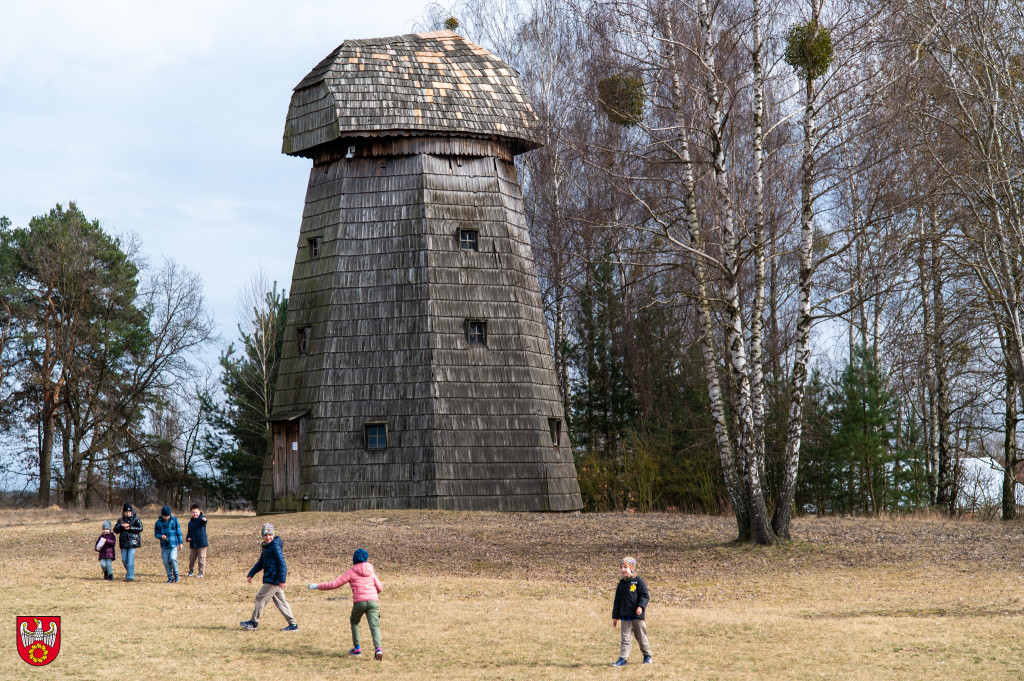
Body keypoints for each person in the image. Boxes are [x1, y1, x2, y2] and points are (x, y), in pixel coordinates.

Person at [308, 548, 384, 661]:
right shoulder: (371, 571)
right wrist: (373, 595)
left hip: (359, 602)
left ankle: (357, 648)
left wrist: (317, 586)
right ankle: (378, 649)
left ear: (354, 559)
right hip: (373, 601)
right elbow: (380, 588)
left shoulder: (351, 572)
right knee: (374, 625)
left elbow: (334, 584)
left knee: (355, 622)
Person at [240, 523, 297, 631]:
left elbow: (282, 564)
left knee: (260, 598)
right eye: (265, 535)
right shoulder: (267, 547)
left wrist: (282, 580)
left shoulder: (275, 547)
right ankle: (293, 625)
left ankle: (253, 623)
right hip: (272, 579)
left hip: (273, 579)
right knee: (281, 602)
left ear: (273, 534)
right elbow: (261, 562)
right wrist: (251, 573)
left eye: (270, 534)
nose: (268, 537)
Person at [611, 556, 652, 667]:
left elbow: (645, 596)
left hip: (637, 617)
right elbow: (617, 601)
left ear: (631, 568)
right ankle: (623, 659)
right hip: (625, 617)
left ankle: (647, 655)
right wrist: (615, 616)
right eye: (621, 567)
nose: (623, 570)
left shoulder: (638, 582)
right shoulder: (621, 584)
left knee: (641, 637)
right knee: (625, 639)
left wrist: (640, 607)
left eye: (625, 567)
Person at [112, 503, 143, 581]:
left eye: (129, 512)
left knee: (130, 560)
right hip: (123, 543)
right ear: (124, 512)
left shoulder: (136, 518)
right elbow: (115, 530)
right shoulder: (120, 520)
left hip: (133, 542)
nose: (128, 513)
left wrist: (130, 528)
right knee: (124, 560)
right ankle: (130, 572)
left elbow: (140, 528)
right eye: (126, 512)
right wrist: (122, 526)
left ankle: (130, 577)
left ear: (131, 511)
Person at [154, 505, 184, 583]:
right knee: (166, 562)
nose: (166, 517)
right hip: (164, 546)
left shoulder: (174, 520)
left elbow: (179, 532)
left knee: (173, 559)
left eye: (168, 516)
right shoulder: (158, 522)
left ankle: (176, 575)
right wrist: (161, 536)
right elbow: (156, 534)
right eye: (165, 516)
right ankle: (170, 577)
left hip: (173, 544)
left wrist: (180, 543)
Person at [185, 504, 208, 577]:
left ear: (199, 512)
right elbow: (189, 532)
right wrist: (188, 538)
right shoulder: (190, 523)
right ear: (191, 513)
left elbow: (204, 521)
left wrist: (204, 520)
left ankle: (201, 572)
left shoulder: (201, 519)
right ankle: (191, 571)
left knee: (201, 558)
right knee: (192, 559)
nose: (195, 514)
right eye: (193, 512)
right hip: (193, 544)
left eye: (196, 512)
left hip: (201, 543)